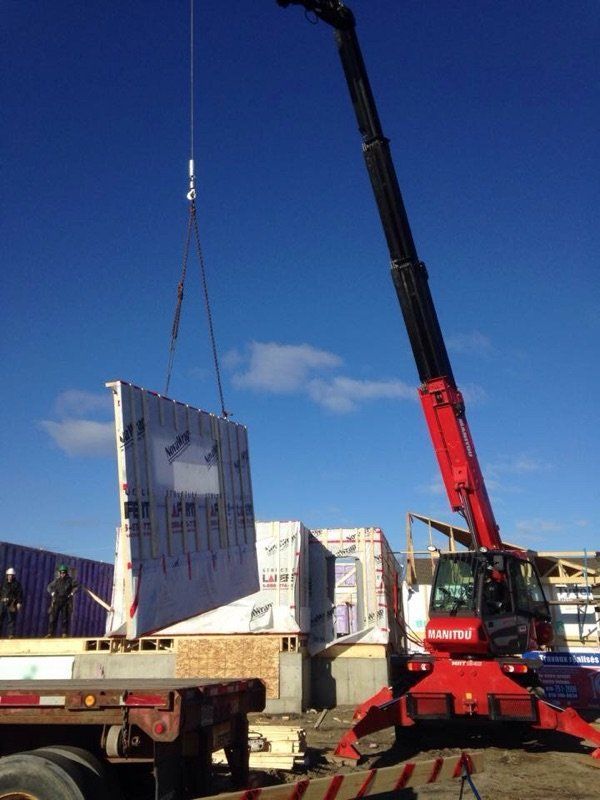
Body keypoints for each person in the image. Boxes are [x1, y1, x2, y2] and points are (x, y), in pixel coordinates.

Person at [46, 564, 78, 638]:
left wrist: (73, 592)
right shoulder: (57, 581)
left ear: (66, 572)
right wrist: (52, 592)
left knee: (65, 618)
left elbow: (76, 586)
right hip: (57, 600)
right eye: (61, 572)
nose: (62, 574)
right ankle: (50, 633)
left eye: (64, 572)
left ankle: (64, 633)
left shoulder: (70, 580)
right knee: (53, 618)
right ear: (59, 573)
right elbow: (49, 587)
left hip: (66, 601)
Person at [0, 568, 23, 639]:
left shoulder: (17, 584)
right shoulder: (3, 583)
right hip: (2, 603)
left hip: (11, 604)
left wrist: (19, 603)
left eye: (11, 575)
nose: (10, 576)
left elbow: (20, 594)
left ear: (13, 576)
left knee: (11, 620)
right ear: (7, 575)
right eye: (9, 575)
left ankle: (11, 635)